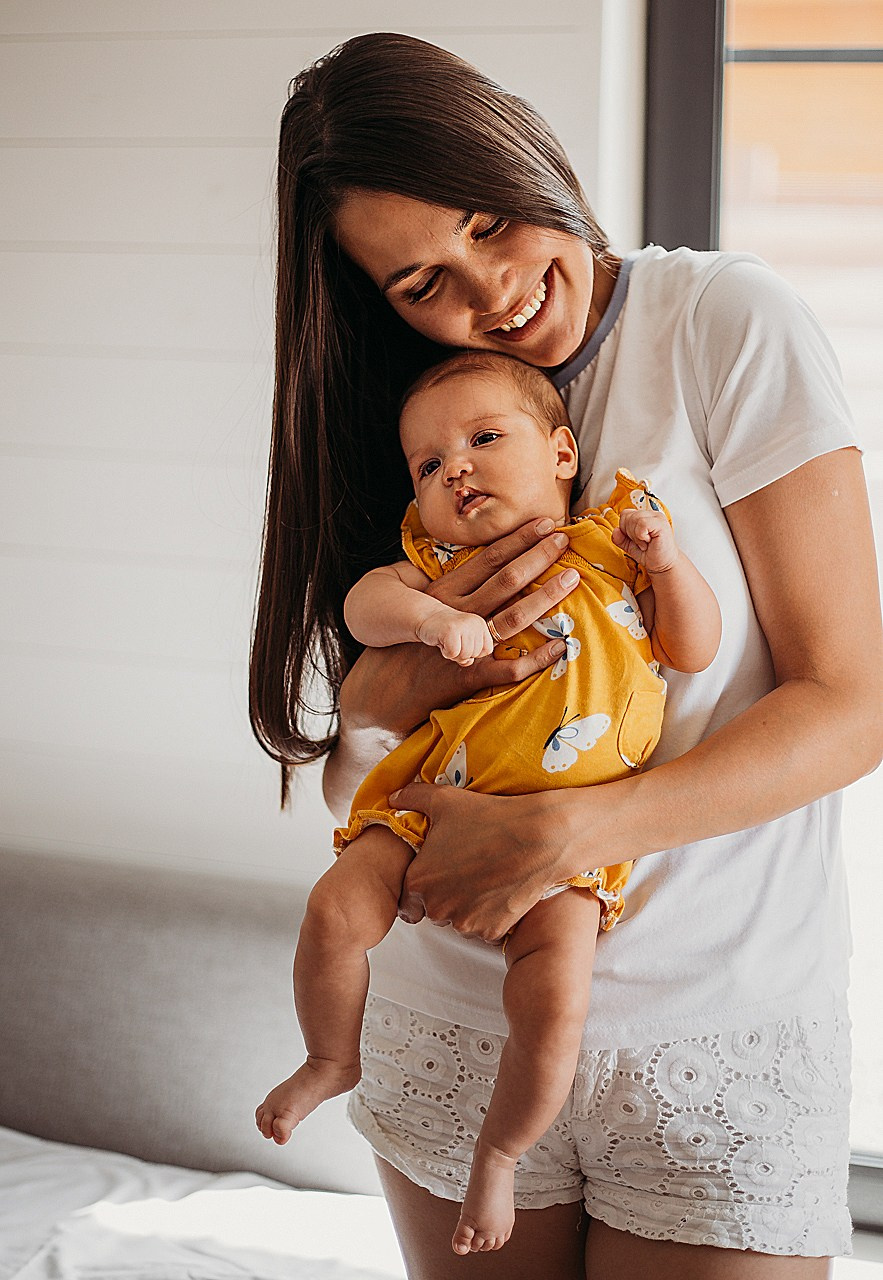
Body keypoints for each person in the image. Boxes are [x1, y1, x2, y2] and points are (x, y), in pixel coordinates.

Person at [248, 30, 883, 1280]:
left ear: (526, 154)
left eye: (487, 222)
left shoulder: (719, 320)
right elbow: (351, 773)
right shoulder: (415, 423)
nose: (486, 294)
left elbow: (852, 705)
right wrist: (386, 691)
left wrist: (569, 835)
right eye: (420, 282)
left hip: (709, 1028)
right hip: (451, 1020)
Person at [255, 349, 721, 1255]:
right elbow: (362, 609)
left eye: (482, 438)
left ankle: (501, 1156)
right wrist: (432, 619)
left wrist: (667, 566)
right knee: (334, 905)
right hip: (431, 801)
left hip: (571, 848)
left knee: (552, 1007)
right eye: (428, 465)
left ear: (559, 453)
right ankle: (328, 1056)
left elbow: (692, 650)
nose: (454, 468)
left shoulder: (608, 544)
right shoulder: (433, 563)